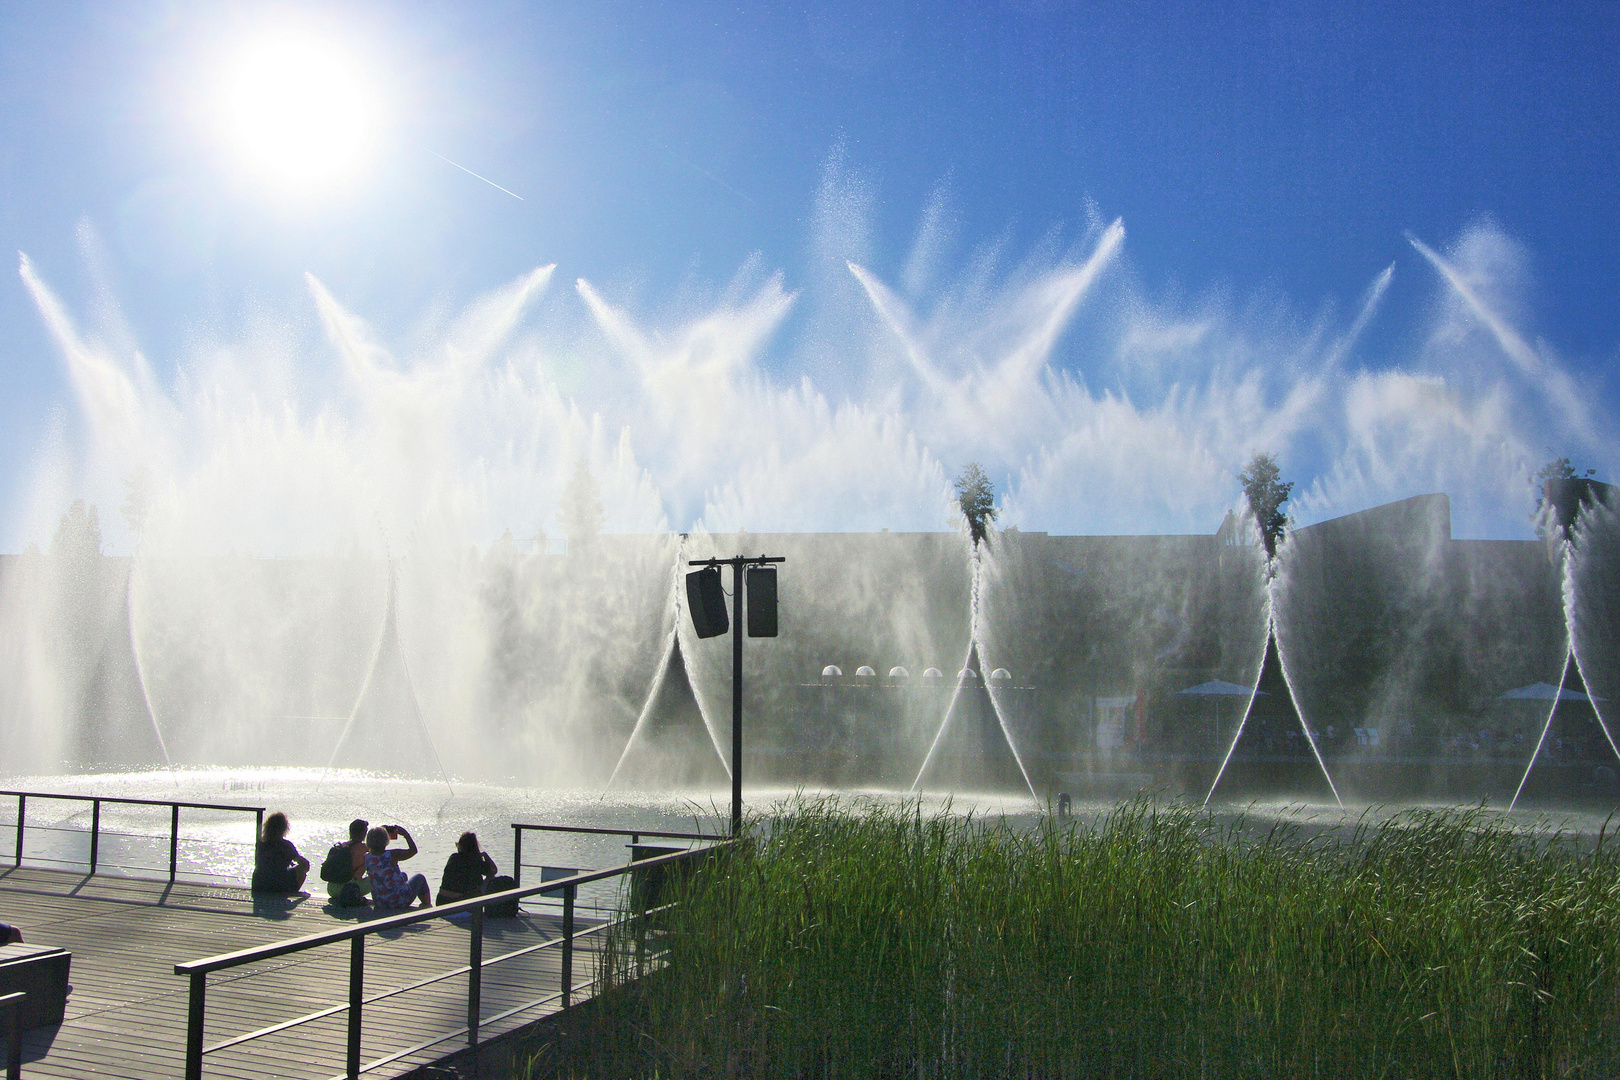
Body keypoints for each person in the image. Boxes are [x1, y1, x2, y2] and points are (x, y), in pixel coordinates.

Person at [364, 825, 431, 909]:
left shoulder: (366, 858)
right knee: (420, 878)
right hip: (399, 902)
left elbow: (373, 849)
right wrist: (406, 835)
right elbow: (413, 851)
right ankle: (427, 906)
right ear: (386, 839)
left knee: (403, 875)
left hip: (380, 902)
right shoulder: (392, 854)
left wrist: (379, 831)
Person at [252, 812, 310, 894]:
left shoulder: (260, 844)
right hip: (278, 885)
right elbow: (304, 864)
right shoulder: (286, 845)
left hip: (258, 885)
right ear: (284, 828)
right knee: (302, 870)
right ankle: (291, 891)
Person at [322, 818, 372, 905]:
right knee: (376, 877)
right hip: (348, 890)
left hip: (331, 890)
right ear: (364, 834)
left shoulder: (341, 846)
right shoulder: (364, 849)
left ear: (350, 832)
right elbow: (379, 853)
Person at [437, 832, 498, 904]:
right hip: (459, 901)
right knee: (491, 878)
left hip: (441, 900)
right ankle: (484, 910)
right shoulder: (475, 861)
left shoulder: (453, 857)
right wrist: (485, 855)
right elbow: (494, 870)